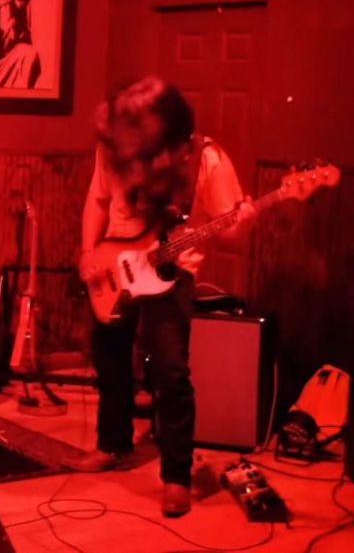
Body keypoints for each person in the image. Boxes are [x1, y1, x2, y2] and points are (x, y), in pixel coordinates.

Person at [72, 76, 255, 517]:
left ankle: (176, 475)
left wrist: (244, 219)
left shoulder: (205, 160)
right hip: (115, 265)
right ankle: (112, 444)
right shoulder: (113, 146)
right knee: (110, 360)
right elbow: (97, 200)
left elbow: (228, 232)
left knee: (170, 372)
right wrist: (88, 252)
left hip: (171, 273)